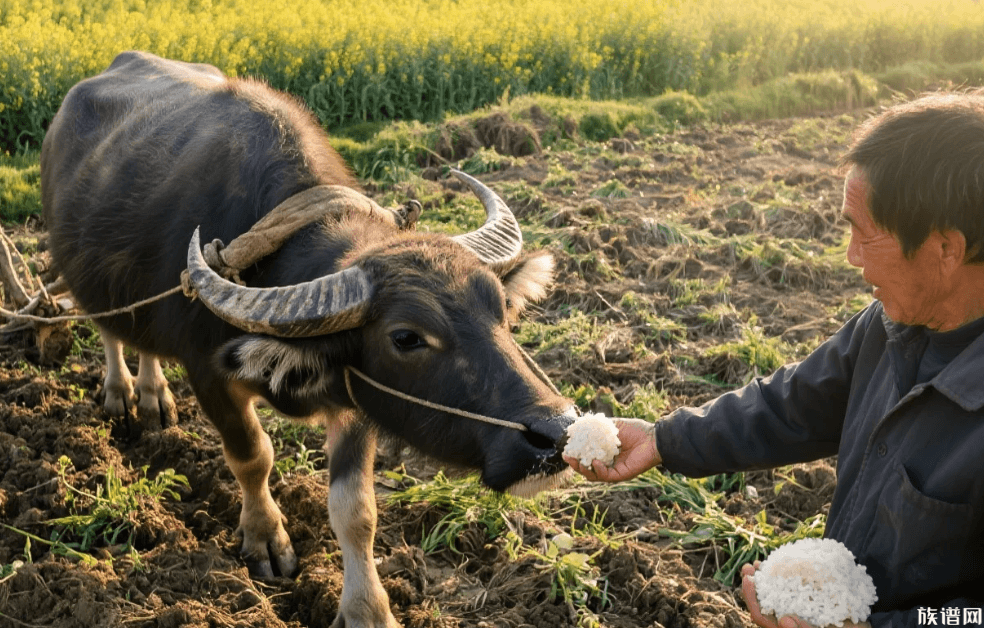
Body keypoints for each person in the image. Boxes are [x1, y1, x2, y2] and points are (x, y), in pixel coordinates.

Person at [565, 92, 984, 628]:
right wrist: (664, 439)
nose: (851, 256)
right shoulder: (889, 326)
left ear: (946, 248)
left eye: (863, 231)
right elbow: (791, 405)